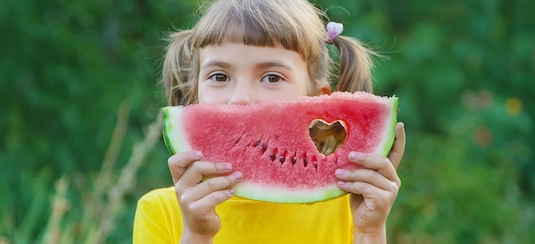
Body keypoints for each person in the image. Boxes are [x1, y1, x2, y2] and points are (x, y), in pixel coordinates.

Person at [133, 0, 406, 243]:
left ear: (318, 102)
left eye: (272, 77)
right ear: (194, 94)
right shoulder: (162, 211)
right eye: (219, 76)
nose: (240, 98)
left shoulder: (350, 211)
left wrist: (369, 233)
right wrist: (196, 235)